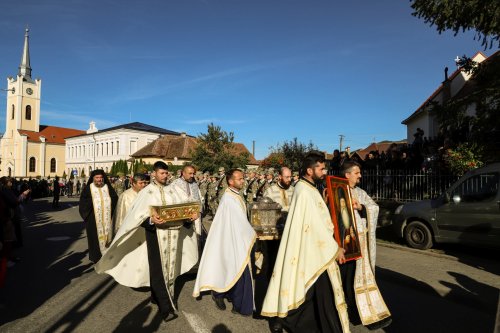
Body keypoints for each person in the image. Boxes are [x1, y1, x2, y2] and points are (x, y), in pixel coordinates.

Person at [95, 161, 198, 322]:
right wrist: (151, 220)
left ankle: (157, 297)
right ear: (154, 173)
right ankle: (166, 307)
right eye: (162, 173)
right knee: (158, 270)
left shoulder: (174, 190)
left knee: (171, 268)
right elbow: (137, 217)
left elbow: (182, 212)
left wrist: (190, 218)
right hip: (155, 235)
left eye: (167, 173)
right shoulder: (146, 192)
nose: (165, 176)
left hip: (174, 235)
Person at [261, 151, 349, 333]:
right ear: (310, 170)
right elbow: (315, 227)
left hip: (314, 249)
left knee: (311, 293)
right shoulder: (304, 191)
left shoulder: (307, 188)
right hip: (315, 249)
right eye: (321, 168)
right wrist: (334, 248)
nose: (324, 172)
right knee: (315, 293)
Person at [193, 169, 256, 316]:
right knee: (227, 267)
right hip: (227, 239)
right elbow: (238, 222)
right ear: (231, 181)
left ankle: (235, 299)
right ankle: (219, 295)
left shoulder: (235, 195)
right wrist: (253, 233)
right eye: (240, 179)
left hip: (235, 237)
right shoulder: (229, 198)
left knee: (235, 268)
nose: (243, 181)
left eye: (243, 178)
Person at [339, 160, 391, 329]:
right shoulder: (337, 192)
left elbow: (374, 207)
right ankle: (348, 312)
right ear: (347, 175)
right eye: (357, 173)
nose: (360, 175)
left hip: (362, 244)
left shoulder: (360, 192)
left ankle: (364, 312)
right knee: (347, 279)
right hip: (346, 244)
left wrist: (361, 206)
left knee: (361, 279)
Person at [78, 170, 118, 263]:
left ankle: (109, 257)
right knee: (95, 240)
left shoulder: (108, 188)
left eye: (101, 178)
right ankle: (97, 259)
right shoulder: (88, 189)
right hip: (93, 221)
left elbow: (115, 200)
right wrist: (88, 216)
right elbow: (83, 204)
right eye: (97, 178)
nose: (99, 180)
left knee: (110, 237)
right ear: (93, 178)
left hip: (108, 220)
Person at [166, 165, 203, 251]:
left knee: (194, 247)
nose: (192, 176)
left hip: (195, 218)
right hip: (181, 220)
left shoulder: (194, 184)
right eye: (190, 173)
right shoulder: (175, 184)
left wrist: (198, 212)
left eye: (193, 173)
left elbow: (199, 200)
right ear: (183, 173)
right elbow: (171, 202)